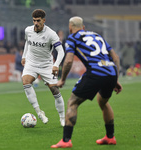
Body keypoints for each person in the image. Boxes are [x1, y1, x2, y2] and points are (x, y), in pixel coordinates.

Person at [51, 16, 123, 148]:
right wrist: (115, 79)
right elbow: (115, 57)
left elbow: (68, 61)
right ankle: (110, 137)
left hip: (96, 71)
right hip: (111, 71)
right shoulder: (97, 35)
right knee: (103, 102)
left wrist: (62, 79)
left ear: (70, 27)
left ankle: (66, 141)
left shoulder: (73, 38)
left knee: (72, 102)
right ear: (83, 27)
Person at [21, 9, 65, 126]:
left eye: (38, 21)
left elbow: (61, 51)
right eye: (34, 20)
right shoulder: (28, 30)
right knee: (26, 82)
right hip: (31, 63)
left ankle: (62, 118)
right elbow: (27, 42)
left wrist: (56, 65)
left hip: (46, 64)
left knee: (54, 90)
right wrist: (24, 56)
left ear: (44, 20)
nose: (36, 23)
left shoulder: (51, 34)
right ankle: (39, 112)